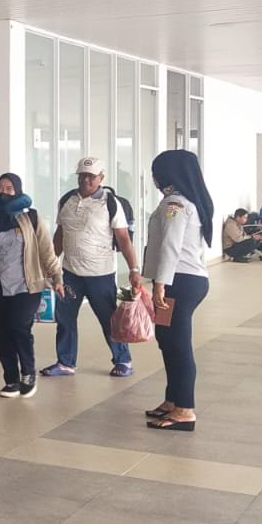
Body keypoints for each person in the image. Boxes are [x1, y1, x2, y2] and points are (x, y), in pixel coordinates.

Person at [44, 157, 144, 378]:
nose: (86, 180)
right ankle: (65, 362)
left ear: (101, 178)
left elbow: (124, 239)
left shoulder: (110, 203)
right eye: (82, 175)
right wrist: (50, 266)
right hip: (70, 274)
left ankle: (123, 360)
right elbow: (60, 236)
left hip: (101, 274)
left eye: (91, 176)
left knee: (108, 319)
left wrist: (134, 270)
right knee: (65, 318)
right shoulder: (67, 200)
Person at [143, 150, 213, 432]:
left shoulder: (175, 204)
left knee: (178, 345)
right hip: (179, 280)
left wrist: (160, 284)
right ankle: (172, 400)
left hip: (179, 282)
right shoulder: (179, 201)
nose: (154, 178)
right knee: (167, 339)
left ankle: (185, 409)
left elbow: (171, 246)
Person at [0, 173, 61, 400]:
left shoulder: (30, 216)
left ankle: (28, 373)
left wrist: (57, 277)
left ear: (18, 191)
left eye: (9, 188)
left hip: (26, 284)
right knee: (1, 332)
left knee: (19, 327)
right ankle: (11, 379)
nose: (3, 192)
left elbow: (46, 250)